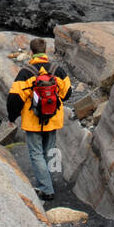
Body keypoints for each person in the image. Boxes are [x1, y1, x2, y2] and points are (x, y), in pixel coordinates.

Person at [7, 38, 72, 201]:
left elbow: (15, 98)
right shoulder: (58, 70)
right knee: (49, 150)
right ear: (46, 51)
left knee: (36, 153)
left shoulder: (26, 72)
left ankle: (46, 188)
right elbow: (67, 93)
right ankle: (49, 181)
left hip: (33, 121)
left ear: (31, 52)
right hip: (53, 119)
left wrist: (11, 117)